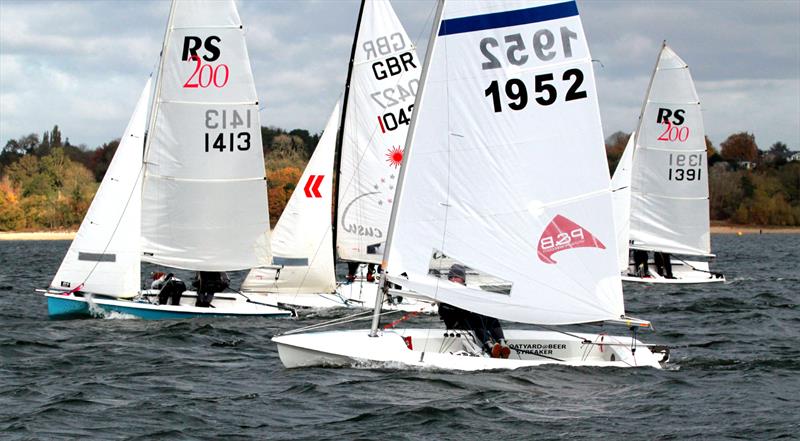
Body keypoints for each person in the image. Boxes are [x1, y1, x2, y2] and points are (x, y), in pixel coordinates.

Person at [438, 264, 510, 359]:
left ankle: (502, 343)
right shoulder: (445, 291)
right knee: (475, 317)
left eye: (456, 277)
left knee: (491, 317)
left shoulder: (470, 291)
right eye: (451, 277)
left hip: (471, 322)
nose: (453, 279)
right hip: (457, 324)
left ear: (463, 279)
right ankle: (490, 346)